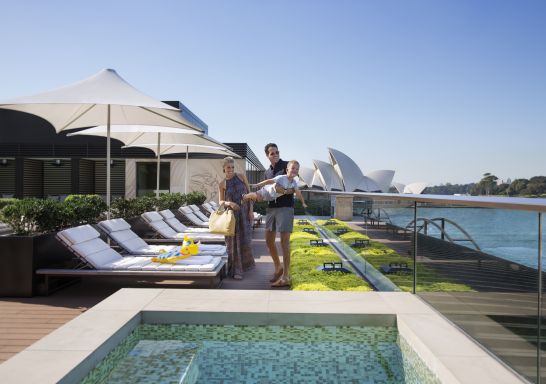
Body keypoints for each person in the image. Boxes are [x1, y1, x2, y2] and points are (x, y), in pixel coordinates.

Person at [262, 143, 296, 287]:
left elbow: (295, 186)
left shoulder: (287, 166)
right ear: (267, 156)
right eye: (272, 153)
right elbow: (266, 191)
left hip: (285, 208)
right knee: (269, 241)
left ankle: (286, 276)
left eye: (276, 152)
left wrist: (284, 191)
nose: (275, 154)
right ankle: (278, 267)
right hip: (271, 208)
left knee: (284, 243)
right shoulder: (267, 173)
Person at [218, 156, 255, 280]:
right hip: (232, 217)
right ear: (223, 168)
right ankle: (236, 270)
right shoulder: (222, 184)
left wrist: (251, 211)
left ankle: (245, 266)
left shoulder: (241, 176)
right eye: (228, 167)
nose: (231, 169)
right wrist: (230, 203)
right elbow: (220, 201)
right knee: (232, 244)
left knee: (245, 240)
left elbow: (250, 195)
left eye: (232, 167)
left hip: (244, 214)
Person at [243, 160, 307, 209]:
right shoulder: (281, 177)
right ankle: (245, 196)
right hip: (267, 190)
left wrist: (303, 202)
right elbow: (269, 181)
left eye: (297, 169)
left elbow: (298, 193)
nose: (295, 170)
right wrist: (258, 184)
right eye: (293, 168)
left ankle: (247, 199)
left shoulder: (294, 183)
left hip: (272, 197)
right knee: (256, 196)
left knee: (257, 199)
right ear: (287, 170)